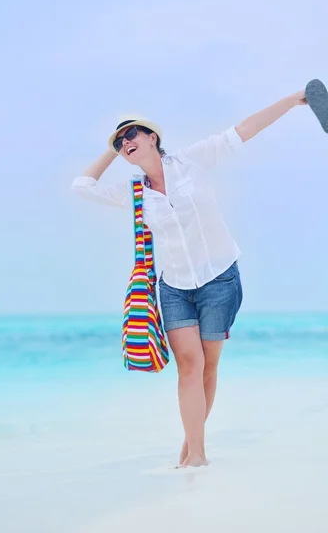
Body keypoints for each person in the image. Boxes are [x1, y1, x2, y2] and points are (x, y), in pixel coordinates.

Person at [71, 90, 308, 468]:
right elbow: (81, 187)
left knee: (208, 366)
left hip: (219, 280)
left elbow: (244, 130)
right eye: (120, 141)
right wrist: (110, 150)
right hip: (175, 287)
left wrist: (294, 99)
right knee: (188, 365)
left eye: (131, 134)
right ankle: (197, 456)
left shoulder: (192, 161)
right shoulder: (133, 192)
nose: (126, 142)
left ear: (153, 137)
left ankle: (190, 448)